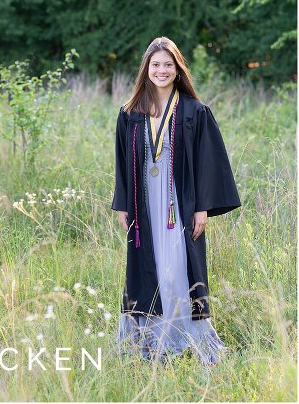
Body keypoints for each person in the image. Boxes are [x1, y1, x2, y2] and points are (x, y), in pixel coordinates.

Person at [112, 37, 240, 364]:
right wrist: (124, 204)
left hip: (177, 204)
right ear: (147, 69)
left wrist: (202, 208)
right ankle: (148, 343)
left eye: (168, 64)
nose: (162, 70)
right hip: (144, 205)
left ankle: (191, 342)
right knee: (146, 269)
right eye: (156, 64)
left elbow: (207, 162)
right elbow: (123, 163)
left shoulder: (194, 112)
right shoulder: (130, 113)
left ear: (178, 68)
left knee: (176, 271)